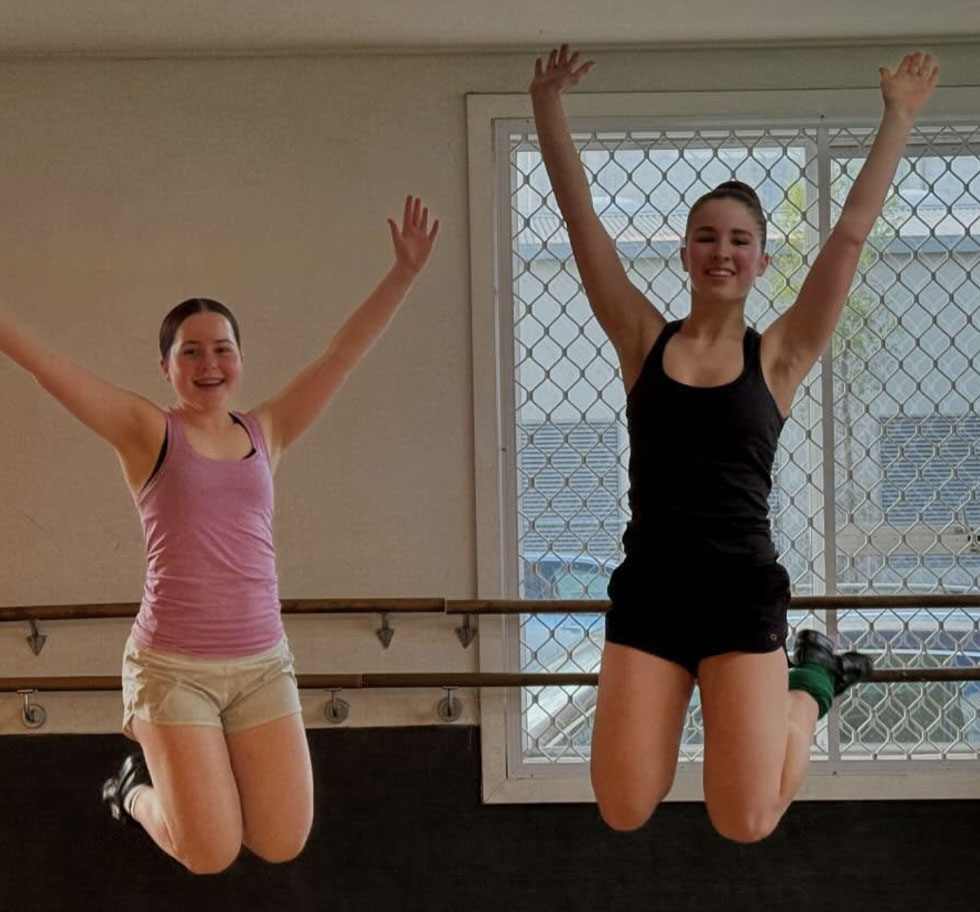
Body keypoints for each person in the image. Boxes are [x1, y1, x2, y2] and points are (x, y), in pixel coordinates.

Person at [529, 45, 938, 841]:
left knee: (746, 821)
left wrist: (899, 117)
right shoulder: (642, 337)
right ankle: (807, 680)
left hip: (740, 593)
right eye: (707, 237)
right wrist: (547, 106)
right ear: (684, 254)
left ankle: (810, 685)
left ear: (759, 259)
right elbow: (582, 226)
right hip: (651, 590)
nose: (722, 251)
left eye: (740, 239)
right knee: (622, 806)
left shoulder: (778, 355)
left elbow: (849, 238)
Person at [0, 196, 438, 872]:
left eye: (222, 349)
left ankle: (171, 786)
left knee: (282, 840)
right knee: (209, 853)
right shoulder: (147, 432)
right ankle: (133, 790)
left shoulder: (269, 430)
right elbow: (50, 367)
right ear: (167, 368)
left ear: (241, 359)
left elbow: (341, 353)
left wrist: (403, 274)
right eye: (191, 352)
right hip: (173, 670)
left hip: (263, 665)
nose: (210, 363)